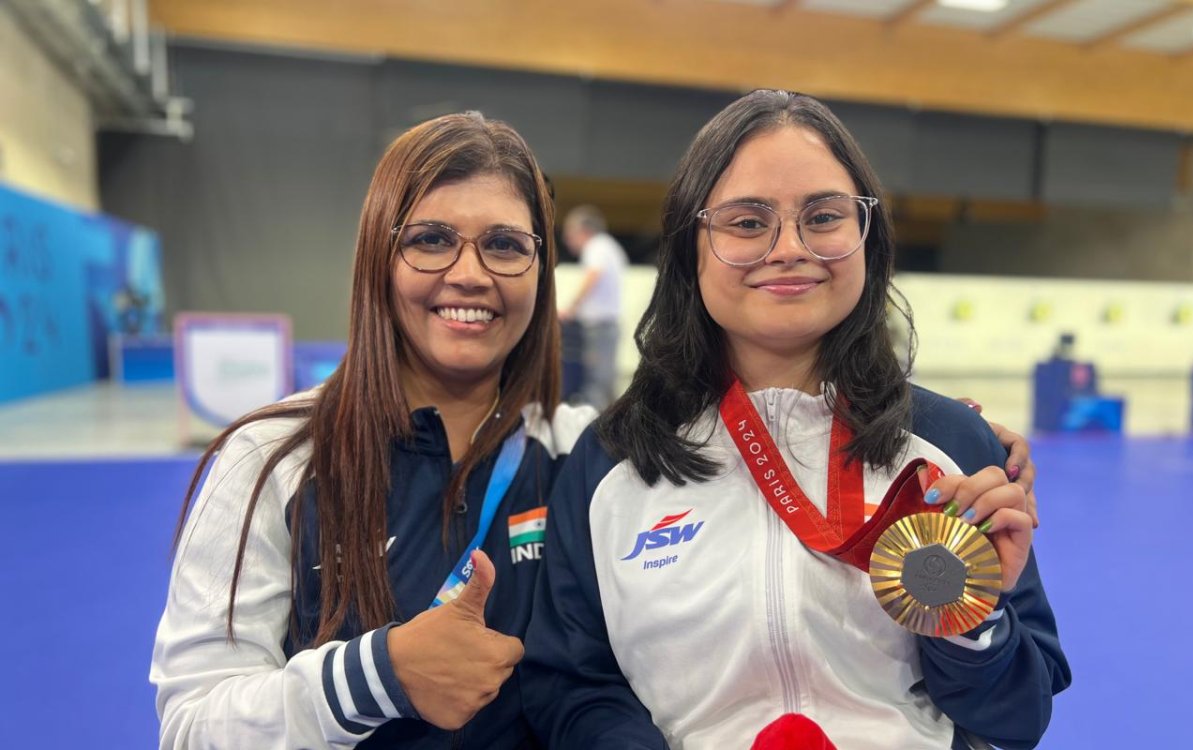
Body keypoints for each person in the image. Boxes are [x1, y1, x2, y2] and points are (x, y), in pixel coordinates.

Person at [521, 90, 1070, 749]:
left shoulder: (954, 447)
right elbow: (574, 688)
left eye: (823, 216)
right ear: (690, 245)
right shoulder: (612, 461)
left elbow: (1017, 717)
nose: (789, 248)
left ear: (867, 233)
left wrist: (972, 620)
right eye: (747, 222)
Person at [150, 112, 595, 749]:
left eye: (505, 245)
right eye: (432, 239)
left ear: (539, 269)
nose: (470, 273)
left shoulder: (583, 454)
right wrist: (377, 677)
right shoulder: (271, 460)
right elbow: (192, 728)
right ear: (378, 261)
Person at [559, 204, 629, 409]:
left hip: (599, 328)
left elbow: (593, 276)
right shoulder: (609, 246)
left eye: (570, 234)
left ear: (584, 231)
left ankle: (593, 435)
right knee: (603, 381)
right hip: (606, 327)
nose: (567, 240)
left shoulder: (596, 247)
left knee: (595, 383)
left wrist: (571, 308)